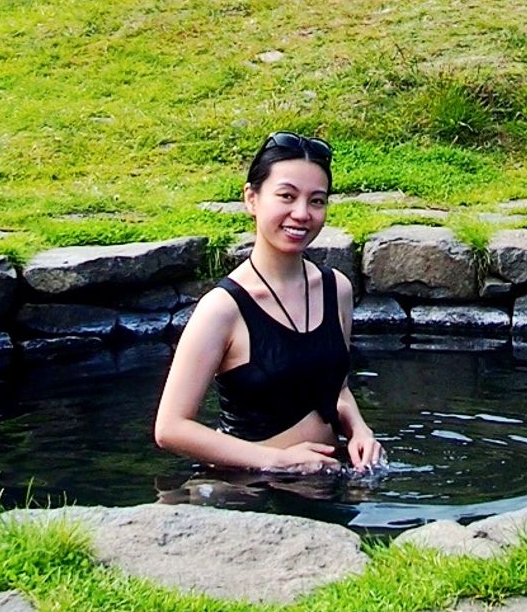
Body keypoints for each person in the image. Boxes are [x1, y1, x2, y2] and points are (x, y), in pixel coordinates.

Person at [153, 131, 385, 477]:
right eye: (286, 196)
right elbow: (170, 428)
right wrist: (275, 461)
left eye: (317, 201)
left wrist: (359, 429)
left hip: (327, 479)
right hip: (249, 488)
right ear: (252, 198)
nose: (302, 213)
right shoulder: (223, 309)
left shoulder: (336, 288)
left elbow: (334, 389)